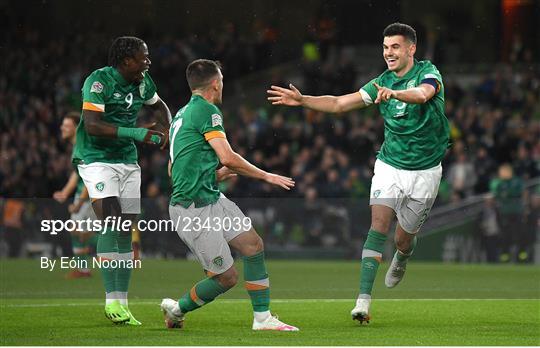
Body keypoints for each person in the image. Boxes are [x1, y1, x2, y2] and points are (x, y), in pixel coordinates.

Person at [268, 22, 449, 323]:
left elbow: (422, 94)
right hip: (390, 165)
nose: (388, 53)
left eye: (395, 47)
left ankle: (402, 257)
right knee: (378, 225)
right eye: (385, 47)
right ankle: (363, 301)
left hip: (425, 171)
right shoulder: (380, 82)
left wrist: (396, 94)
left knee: (403, 239)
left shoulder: (429, 72)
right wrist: (303, 101)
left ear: (411, 49)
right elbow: (340, 103)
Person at [161, 59, 298, 331]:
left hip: (211, 198)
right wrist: (266, 175)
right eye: (221, 80)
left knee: (253, 245)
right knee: (226, 278)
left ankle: (262, 318)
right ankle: (177, 310)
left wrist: (211, 175)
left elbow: (172, 169)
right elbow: (228, 157)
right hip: (193, 210)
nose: (223, 84)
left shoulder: (182, 114)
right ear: (215, 83)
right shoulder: (207, 111)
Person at [73, 36, 172, 325]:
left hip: (127, 162)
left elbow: (161, 107)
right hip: (97, 159)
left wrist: (164, 129)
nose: (148, 62)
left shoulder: (144, 82)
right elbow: (92, 126)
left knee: (125, 228)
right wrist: (139, 133)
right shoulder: (99, 81)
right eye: (144, 57)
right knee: (111, 221)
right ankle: (109, 301)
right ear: (126, 60)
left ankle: (123, 304)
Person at [53, 112, 97, 278]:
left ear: (76, 128)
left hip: (88, 194)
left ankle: (122, 245)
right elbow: (76, 174)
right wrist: (65, 192)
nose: (62, 128)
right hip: (85, 193)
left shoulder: (83, 146)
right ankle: (83, 269)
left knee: (80, 231)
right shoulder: (77, 145)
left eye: (66, 125)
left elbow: (88, 177)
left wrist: (79, 202)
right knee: (80, 232)